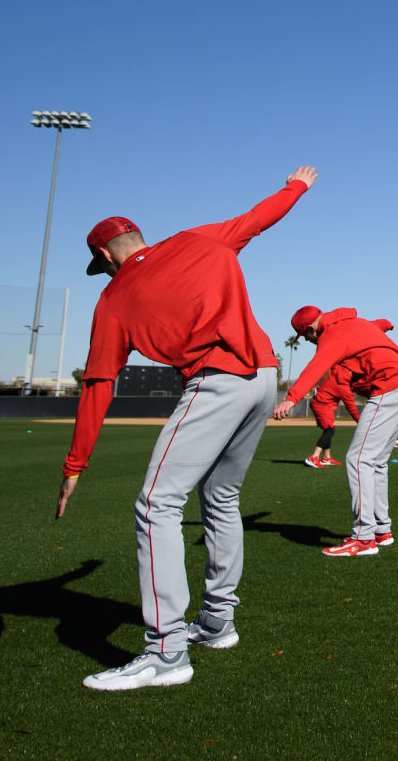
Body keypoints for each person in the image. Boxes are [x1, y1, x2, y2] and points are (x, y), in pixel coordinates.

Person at [56, 165, 316, 691]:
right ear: (140, 239)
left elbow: (98, 385)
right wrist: (296, 187)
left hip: (217, 381)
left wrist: (74, 465)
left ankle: (166, 653)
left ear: (105, 257)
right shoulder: (196, 239)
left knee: (156, 504)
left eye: (100, 266)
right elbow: (259, 218)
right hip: (264, 377)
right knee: (220, 498)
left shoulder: (112, 298)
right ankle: (218, 622)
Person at [277, 306, 398, 557]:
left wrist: (292, 397)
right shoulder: (357, 323)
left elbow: (316, 366)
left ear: (310, 329)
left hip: (389, 387)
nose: (310, 342)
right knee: (376, 462)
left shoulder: (333, 334)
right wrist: (388, 322)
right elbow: (378, 325)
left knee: (358, 459)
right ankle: (381, 531)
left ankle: (363, 537)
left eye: (306, 337)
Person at [306, 364, 360, 468]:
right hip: (321, 404)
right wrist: (360, 421)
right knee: (329, 430)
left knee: (329, 429)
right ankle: (314, 457)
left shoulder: (339, 368)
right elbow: (352, 409)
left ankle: (326, 457)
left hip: (325, 403)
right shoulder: (345, 388)